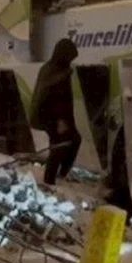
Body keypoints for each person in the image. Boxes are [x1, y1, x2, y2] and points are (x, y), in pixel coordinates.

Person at [30, 38, 81, 186]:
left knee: (70, 140)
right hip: (50, 116)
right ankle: (50, 180)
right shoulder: (57, 72)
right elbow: (56, 99)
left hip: (51, 115)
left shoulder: (50, 68)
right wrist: (61, 121)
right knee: (59, 145)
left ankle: (60, 175)